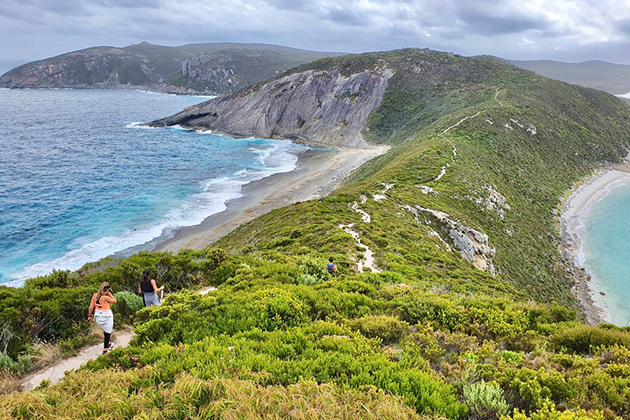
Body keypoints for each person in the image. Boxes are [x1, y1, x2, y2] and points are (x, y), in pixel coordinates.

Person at [88, 282, 117, 355]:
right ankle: (105, 350)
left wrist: (90, 316)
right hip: (107, 316)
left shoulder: (95, 295)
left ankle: (108, 343)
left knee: (105, 330)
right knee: (108, 332)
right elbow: (114, 301)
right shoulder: (106, 297)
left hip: (98, 316)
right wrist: (109, 293)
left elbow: (91, 308)